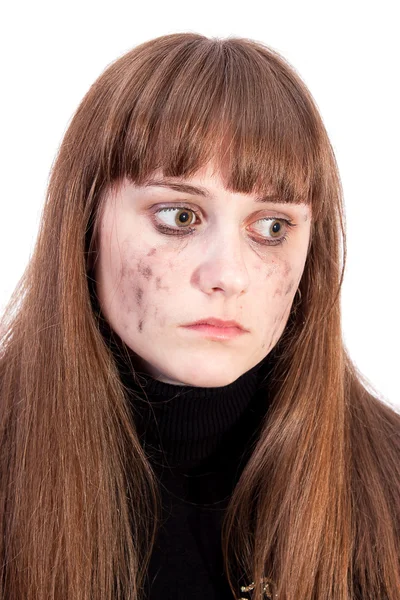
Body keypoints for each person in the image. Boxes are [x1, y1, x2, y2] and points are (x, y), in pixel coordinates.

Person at [0, 32, 399, 600]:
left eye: (272, 227)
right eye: (181, 217)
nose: (228, 275)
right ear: (86, 222)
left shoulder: (391, 485)